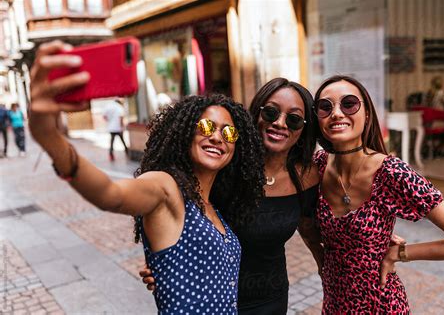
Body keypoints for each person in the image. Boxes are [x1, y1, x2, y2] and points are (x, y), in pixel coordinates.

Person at [28, 40, 266, 314]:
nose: (216, 136)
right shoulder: (167, 188)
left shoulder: (214, 207)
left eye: (229, 133)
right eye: (207, 126)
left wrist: (165, 273)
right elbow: (111, 194)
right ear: (186, 132)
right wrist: (48, 136)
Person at [141, 78, 324, 314]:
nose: (280, 123)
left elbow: (309, 228)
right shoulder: (222, 165)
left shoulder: (307, 177)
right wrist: (161, 259)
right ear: (256, 115)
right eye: (270, 112)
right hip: (211, 301)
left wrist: (328, 263)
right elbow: (174, 213)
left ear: (303, 128)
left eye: (294, 118)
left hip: (272, 298)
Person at [311, 75, 444, 313]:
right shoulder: (317, 166)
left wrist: (399, 253)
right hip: (335, 301)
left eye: (349, 104)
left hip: (381, 303)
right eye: (325, 107)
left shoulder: (391, 172)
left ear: (366, 114)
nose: (336, 113)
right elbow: (302, 221)